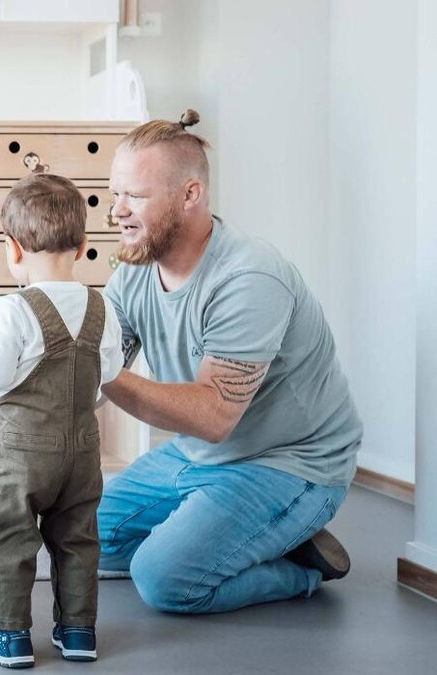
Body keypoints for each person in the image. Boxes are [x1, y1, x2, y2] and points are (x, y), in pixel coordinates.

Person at [98, 110, 362, 614]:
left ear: (190, 194)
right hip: (196, 456)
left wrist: (100, 370)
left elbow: (213, 416)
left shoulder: (249, 277)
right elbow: (98, 361)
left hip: (289, 463)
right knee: (86, 542)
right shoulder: (134, 272)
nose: (117, 211)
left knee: (162, 579)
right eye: (115, 194)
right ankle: (240, 537)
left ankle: (299, 567)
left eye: (134, 195)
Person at [0, 173, 123, 668]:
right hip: (83, 450)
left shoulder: (13, 307)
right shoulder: (101, 306)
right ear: (82, 245)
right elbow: (109, 375)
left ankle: (11, 635)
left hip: (22, 452)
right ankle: (79, 631)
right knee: (78, 537)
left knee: (7, 535)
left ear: (13, 249)